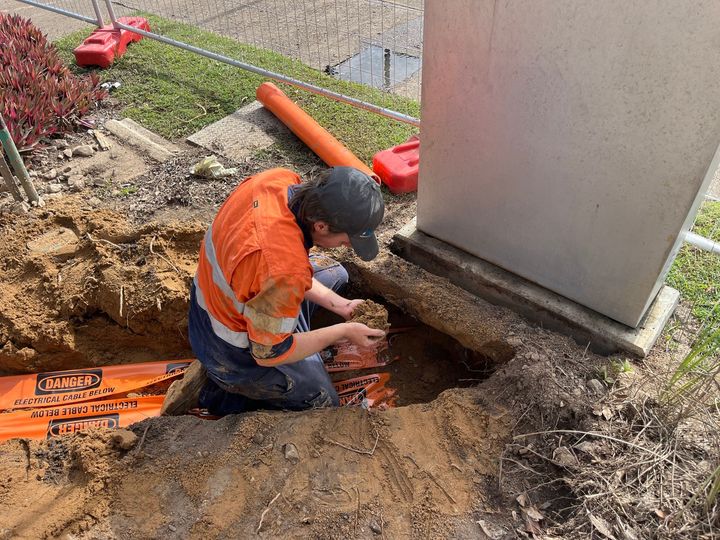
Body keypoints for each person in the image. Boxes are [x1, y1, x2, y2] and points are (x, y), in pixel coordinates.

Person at [161, 166, 386, 415]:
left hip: (217, 299)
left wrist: (341, 306)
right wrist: (342, 331)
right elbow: (269, 354)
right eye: (344, 241)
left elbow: (278, 269)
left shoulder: (277, 180)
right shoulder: (283, 271)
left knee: (336, 274)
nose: (344, 246)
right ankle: (218, 392)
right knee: (321, 399)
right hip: (229, 349)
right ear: (321, 226)